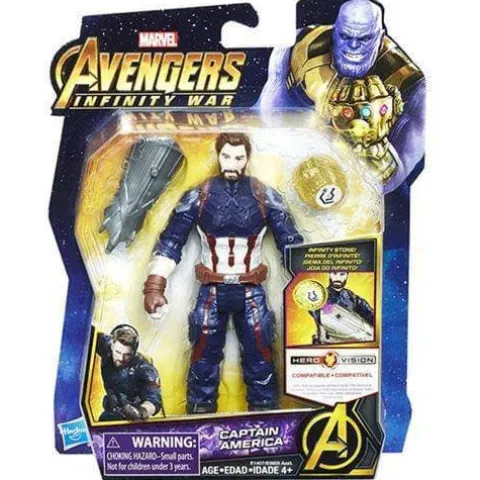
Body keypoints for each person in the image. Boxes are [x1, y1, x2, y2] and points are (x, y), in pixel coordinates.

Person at [144, 133, 303, 414]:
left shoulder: (264, 195)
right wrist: (155, 286)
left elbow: (290, 243)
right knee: (203, 363)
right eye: (227, 156)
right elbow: (171, 242)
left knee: (261, 362)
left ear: (247, 158)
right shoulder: (198, 195)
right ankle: (199, 421)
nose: (232, 163)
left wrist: (312, 287)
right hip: (211, 292)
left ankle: (267, 423)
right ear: (218, 155)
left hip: (251, 291)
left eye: (238, 157)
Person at [96, 324, 162, 421]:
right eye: (118, 352)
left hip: (133, 420)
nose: (121, 358)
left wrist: (140, 411)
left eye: (127, 355)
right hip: (110, 413)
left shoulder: (144, 368)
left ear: (134, 352)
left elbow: (154, 400)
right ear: (112, 345)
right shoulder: (105, 345)